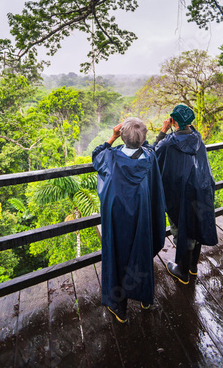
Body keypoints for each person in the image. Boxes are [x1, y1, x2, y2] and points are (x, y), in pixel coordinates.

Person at [92, 117, 166, 323]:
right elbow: (150, 147)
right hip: (142, 215)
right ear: (143, 140)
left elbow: (96, 155)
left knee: (117, 255)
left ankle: (119, 307)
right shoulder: (149, 158)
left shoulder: (110, 157)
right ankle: (144, 297)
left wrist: (112, 137)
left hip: (117, 218)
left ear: (121, 137)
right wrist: (156, 133)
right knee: (141, 251)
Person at [154, 104, 218, 284]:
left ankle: (182, 271)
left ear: (173, 121)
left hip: (179, 194)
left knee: (180, 228)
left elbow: (152, 154)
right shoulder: (197, 138)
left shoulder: (169, 142)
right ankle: (192, 266)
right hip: (201, 190)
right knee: (196, 224)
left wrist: (163, 130)